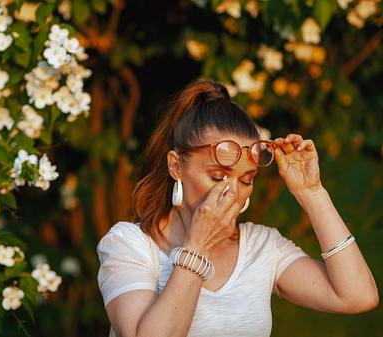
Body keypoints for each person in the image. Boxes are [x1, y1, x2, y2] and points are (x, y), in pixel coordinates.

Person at [96, 80, 379, 337]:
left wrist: (311, 193)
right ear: (176, 165)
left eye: (246, 179)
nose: (231, 191)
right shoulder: (129, 244)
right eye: (217, 176)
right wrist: (199, 246)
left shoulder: (262, 246)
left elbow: (357, 296)